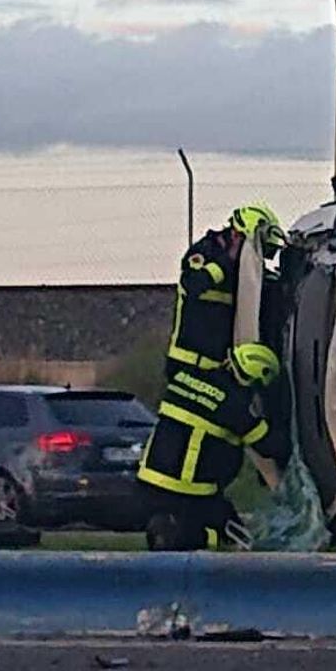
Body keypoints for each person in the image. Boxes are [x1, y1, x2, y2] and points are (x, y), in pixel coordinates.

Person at [137, 343, 291, 551]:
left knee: (228, 526)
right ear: (255, 375)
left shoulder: (187, 376)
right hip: (188, 490)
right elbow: (269, 446)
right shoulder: (233, 404)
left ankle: (167, 532)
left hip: (150, 479)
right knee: (224, 539)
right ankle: (175, 536)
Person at [166, 204, 287, 377]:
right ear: (238, 236)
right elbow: (192, 284)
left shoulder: (244, 272)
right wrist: (226, 262)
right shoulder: (204, 252)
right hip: (187, 365)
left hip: (222, 369)